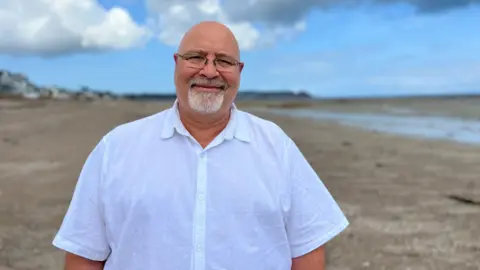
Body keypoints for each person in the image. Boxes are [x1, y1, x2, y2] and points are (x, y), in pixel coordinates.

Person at [52, 21, 349, 270]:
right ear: (176, 63)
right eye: (196, 57)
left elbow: (308, 247)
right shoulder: (116, 147)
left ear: (239, 70)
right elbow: (84, 254)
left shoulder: (276, 146)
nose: (209, 71)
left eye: (223, 61)